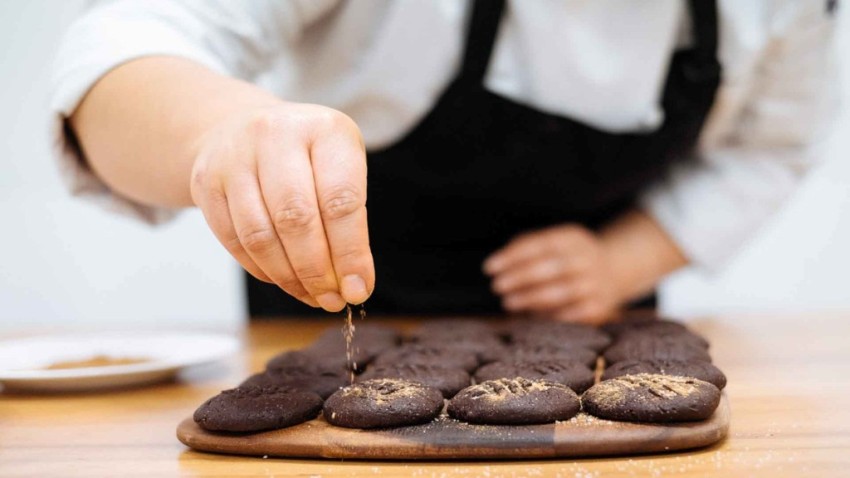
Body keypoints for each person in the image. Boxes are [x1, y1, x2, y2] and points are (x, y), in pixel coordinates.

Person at [52, 0, 839, 323]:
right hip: (333, 328)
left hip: (597, 337)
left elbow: (769, 148)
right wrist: (220, 131)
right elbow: (136, 37)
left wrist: (628, 257)